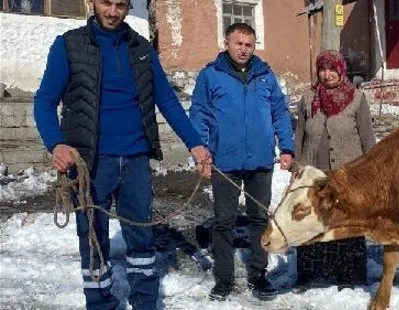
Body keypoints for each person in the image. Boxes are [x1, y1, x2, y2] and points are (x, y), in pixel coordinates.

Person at [32, 0, 212, 309]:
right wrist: (56, 143)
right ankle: (100, 303)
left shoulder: (141, 48)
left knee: (142, 238)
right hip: (90, 163)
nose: (113, 12)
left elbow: (166, 99)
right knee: (92, 240)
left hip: (135, 160)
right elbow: (44, 100)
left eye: (120, 5)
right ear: (92, 2)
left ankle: (144, 302)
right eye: (106, 3)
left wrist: (195, 143)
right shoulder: (69, 45)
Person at [188, 22, 295, 301]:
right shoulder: (211, 76)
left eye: (249, 45)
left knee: (260, 219)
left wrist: (286, 147)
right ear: (227, 43)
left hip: (260, 160)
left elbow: (280, 112)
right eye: (239, 44)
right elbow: (199, 114)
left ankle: (259, 276)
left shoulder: (265, 75)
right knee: (224, 221)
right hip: (225, 160)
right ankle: (224, 279)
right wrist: (201, 151)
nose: (244, 50)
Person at [293, 50, 376, 291]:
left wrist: (371, 171)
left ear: (341, 71)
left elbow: (367, 137)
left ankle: (349, 275)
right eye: (323, 69)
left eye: (332, 69)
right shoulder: (308, 98)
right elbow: (299, 135)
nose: (327, 75)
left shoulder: (357, 98)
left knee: (347, 222)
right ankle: (308, 274)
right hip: (314, 173)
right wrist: (297, 166)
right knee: (310, 221)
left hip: (348, 174)